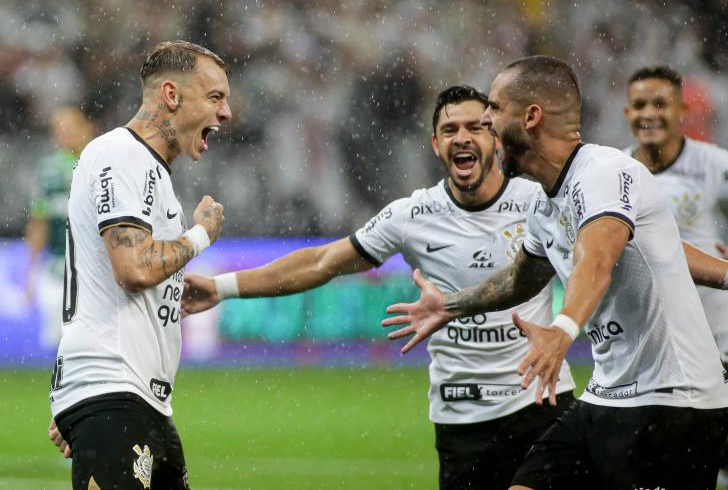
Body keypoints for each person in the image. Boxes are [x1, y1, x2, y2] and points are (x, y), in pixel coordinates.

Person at [181, 85, 576, 490]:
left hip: (541, 402)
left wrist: (566, 327)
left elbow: (595, 264)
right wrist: (222, 287)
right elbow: (321, 263)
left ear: (495, 136)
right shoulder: (412, 215)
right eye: (450, 129)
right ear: (436, 144)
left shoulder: (539, 202)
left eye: (476, 127)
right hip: (461, 418)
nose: (463, 137)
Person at [383, 56, 728, 489]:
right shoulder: (547, 203)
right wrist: (449, 306)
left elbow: (596, 260)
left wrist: (562, 329)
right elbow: (520, 279)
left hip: (675, 402)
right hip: (606, 396)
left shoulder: (602, 173)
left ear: (531, 117)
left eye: (493, 108)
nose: (486, 121)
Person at [48, 40, 231, 490]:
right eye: (215, 97)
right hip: (114, 391)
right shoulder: (121, 154)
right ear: (171, 95)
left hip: (134, 399)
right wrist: (201, 233)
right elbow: (133, 269)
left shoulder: (152, 174)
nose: (226, 113)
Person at [624, 65, 728, 361]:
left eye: (660, 104)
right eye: (639, 105)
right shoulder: (615, 171)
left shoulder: (713, 163)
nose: (648, 114)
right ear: (627, 113)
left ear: (682, 110)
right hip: (652, 334)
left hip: (717, 328)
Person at [25, 106, 95, 349]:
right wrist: (30, 272)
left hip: (93, 269)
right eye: (59, 131)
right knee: (59, 342)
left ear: (87, 128)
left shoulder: (98, 166)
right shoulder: (48, 171)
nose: (64, 135)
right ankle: (65, 386)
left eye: (70, 128)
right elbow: (39, 223)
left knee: (88, 339)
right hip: (57, 267)